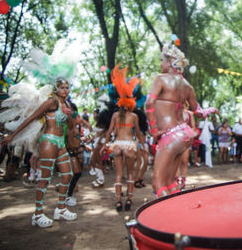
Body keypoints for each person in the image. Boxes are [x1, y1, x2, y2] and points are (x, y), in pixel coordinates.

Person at [2, 77, 77, 227]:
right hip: (48, 141)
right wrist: (13, 135)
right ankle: (37, 214)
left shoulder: (66, 104)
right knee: (45, 179)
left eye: (67, 88)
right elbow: (31, 118)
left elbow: (71, 126)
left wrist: (69, 115)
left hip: (60, 143)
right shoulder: (51, 102)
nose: (66, 90)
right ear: (56, 89)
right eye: (62, 87)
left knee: (68, 175)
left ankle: (61, 209)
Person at [146, 42, 218, 198]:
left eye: (162, 61)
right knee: (171, 182)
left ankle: (166, 217)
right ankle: (177, 213)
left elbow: (149, 103)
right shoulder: (188, 86)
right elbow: (198, 111)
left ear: (170, 62)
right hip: (185, 135)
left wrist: (154, 131)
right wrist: (210, 110)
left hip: (170, 136)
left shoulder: (161, 79)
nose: (160, 64)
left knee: (158, 184)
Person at [100, 64, 144, 212]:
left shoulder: (114, 115)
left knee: (118, 174)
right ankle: (129, 200)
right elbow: (138, 133)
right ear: (130, 101)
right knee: (130, 174)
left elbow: (109, 132)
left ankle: (118, 201)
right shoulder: (134, 116)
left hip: (117, 145)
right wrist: (143, 146)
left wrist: (103, 146)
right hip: (129, 145)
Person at [65, 102, 92, 207]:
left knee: (77, 174)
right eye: (78, 117)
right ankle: (68, 196)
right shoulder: (69, 127)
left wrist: (86, 140)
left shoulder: (77, 128)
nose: (80, 119)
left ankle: (68, 195)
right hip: (71, 153)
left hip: (78, 151)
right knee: (75, 173)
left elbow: (89, 132)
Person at [175, 102, 196, 189]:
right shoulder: (175, 113)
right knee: (176, 161)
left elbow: (193, 127)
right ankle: (176, 182)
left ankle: (183, 184)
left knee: (184, 161)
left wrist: (187, 133)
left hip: (186, 140)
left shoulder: (189, 114)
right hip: (176, 139)